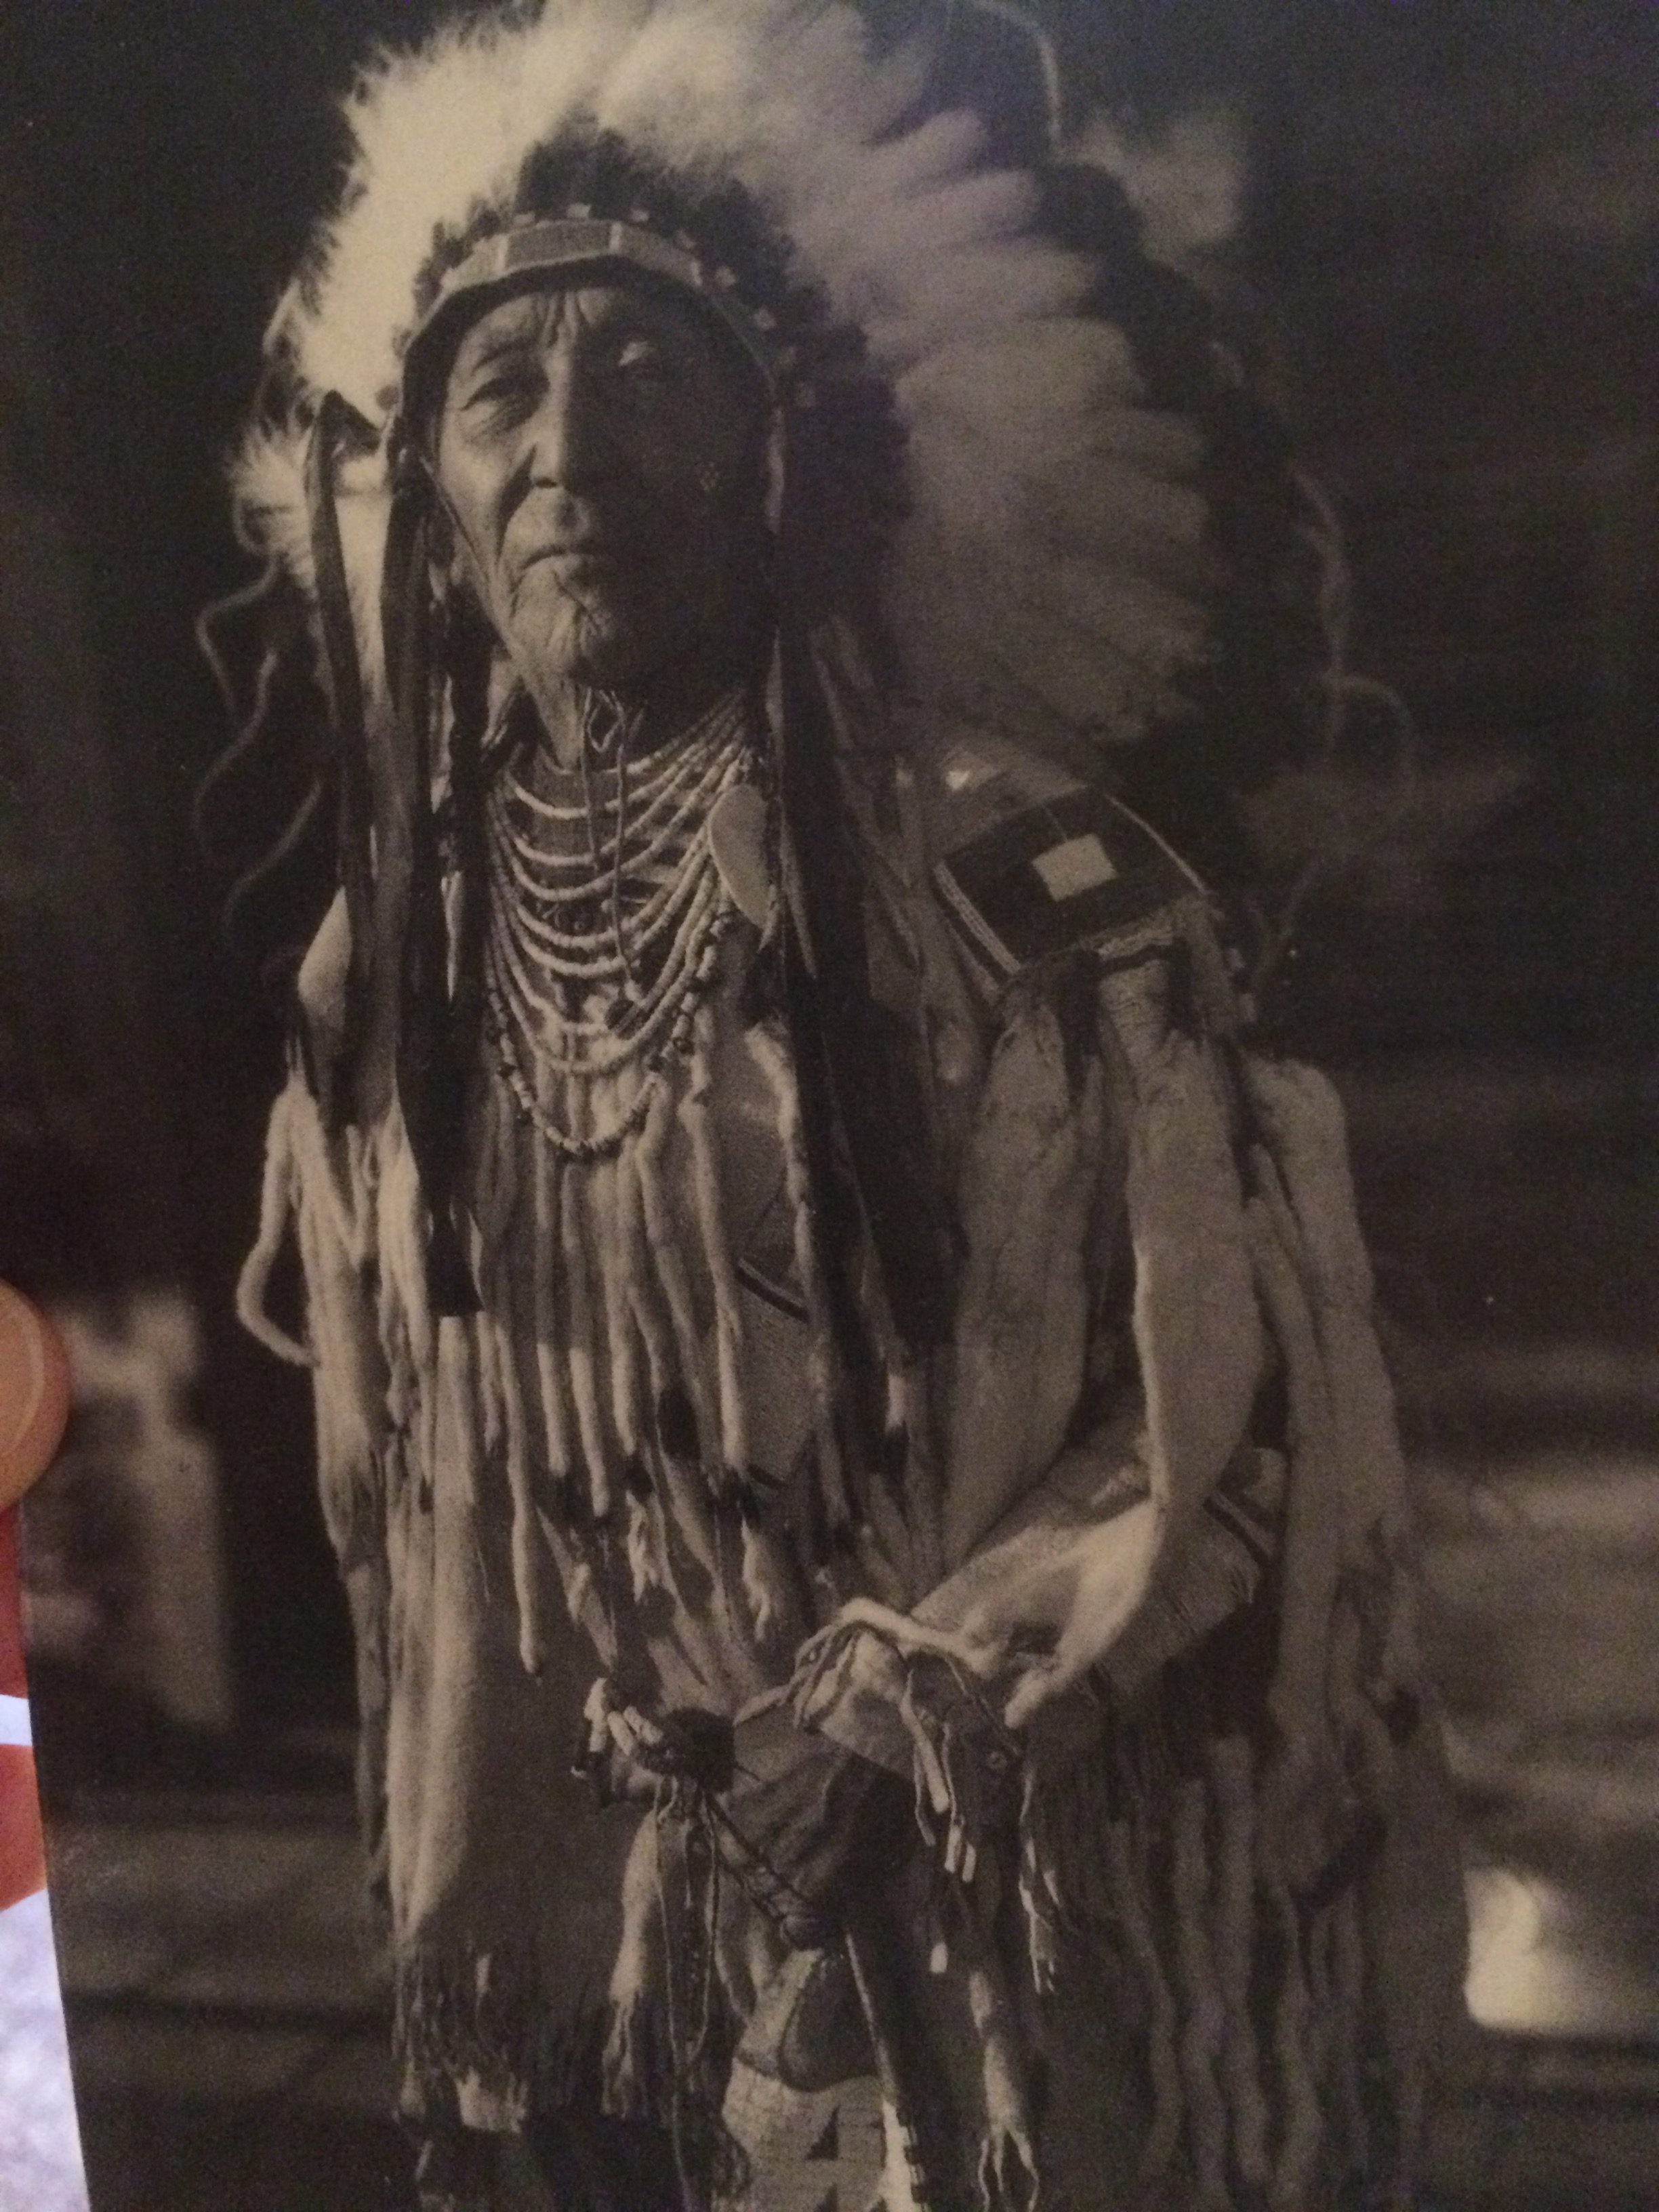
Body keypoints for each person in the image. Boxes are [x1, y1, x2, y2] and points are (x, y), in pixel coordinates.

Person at [221, 2, 1466, 2205]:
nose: (566, 449)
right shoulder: (389, 963)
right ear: (427, 492)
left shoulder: (1015, 885)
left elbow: (1228, 1419)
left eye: (648, 374)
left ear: (792, 453)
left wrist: (905, 1704)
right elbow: (410, 1493)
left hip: (959, 1902)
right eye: (501, 391)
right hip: (568, 1912)